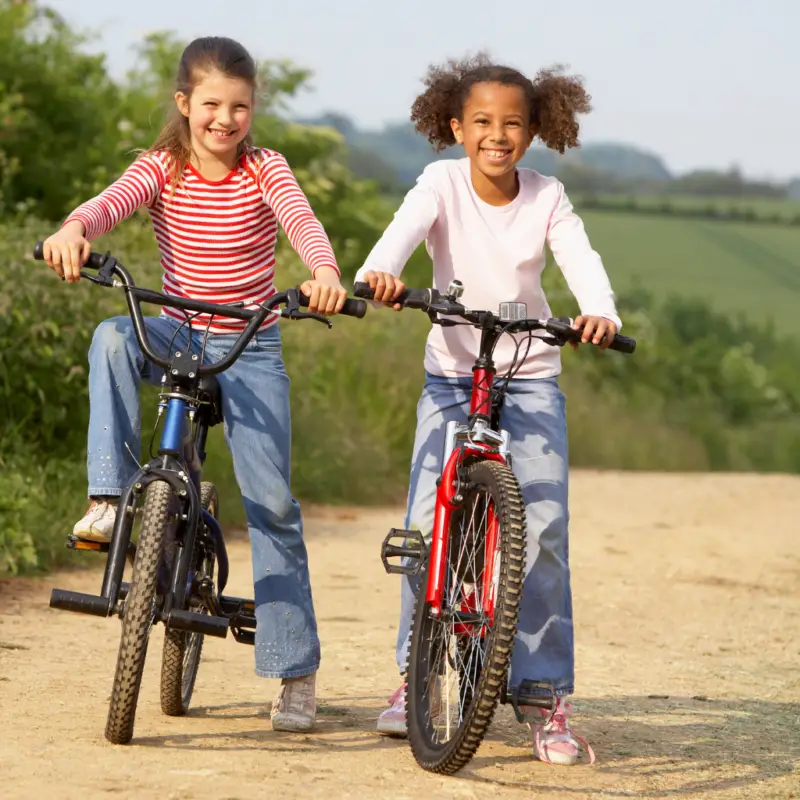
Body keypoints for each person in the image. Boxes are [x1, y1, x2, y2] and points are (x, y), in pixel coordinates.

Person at [40, 36, 345, 733]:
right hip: (175, 330)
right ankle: (111, 497)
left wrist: (323, 273)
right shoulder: (163, 166)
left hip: (249, 340)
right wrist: (73, 229)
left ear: (252, 110)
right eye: (211, 104)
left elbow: (302, 221)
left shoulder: (266, 168)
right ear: (185, 104)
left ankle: (293, 671)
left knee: (270, 502)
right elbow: (111, 203)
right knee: (111, 334)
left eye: (239, 106)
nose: (225, 119)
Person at [355, 54, 622, 765]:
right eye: (481, 123)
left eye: (512, 124)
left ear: (533, 131)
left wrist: (597, 311)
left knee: (543, 532)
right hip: (452, 376)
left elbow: (581, 261)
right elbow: (403, 232)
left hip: (529, 375)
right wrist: (380, 271)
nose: (496, 136)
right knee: (423, 524)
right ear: (455, 126)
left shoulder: (548, 196)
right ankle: (416, 680)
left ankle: (544, 698)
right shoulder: (441, 183)